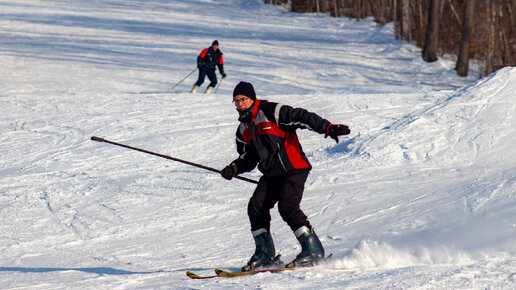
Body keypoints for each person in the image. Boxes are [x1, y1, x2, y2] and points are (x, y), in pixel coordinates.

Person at [221, 81, 351, 271]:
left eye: (243, 99)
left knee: (288, 206)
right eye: (236, 101)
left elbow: (301, 116)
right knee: (256, 206)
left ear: (252, 98)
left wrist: (327, 127)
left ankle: (312, 249)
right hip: (271, 174)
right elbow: (249, 158)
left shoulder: (272, 111)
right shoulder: (242, 130)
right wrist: (233, 168)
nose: (240, 104)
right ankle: (265, 253)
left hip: (293, 168)